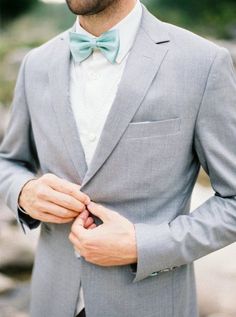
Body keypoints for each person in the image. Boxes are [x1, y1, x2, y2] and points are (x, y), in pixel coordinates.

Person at [0, 0, 236, 316]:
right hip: (50, 300)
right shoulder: (35, 64)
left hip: (150, 304)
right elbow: (8, 161)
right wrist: (24, 191)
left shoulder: (203, 63)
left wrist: (145, 245)